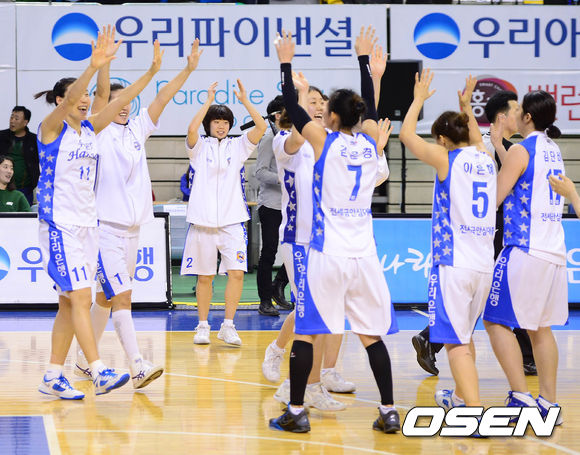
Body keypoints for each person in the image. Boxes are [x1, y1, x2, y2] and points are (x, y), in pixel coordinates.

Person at [269, 27, 399, 434]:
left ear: (333, 117)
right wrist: (365, 64)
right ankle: (389, 410)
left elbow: (291, 104)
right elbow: (371, 106)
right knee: (372, 336)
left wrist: (285, 63)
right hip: (365, 255)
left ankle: (295, 411)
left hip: (328, 252)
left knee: (308, 332)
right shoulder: (370, 141)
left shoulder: (323, 142)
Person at [75, 30, 203, 389]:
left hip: (133, 230)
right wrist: (104, 64)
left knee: (105, 298)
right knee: (123, 297)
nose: (125, 105)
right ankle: (137, 366)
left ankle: (83, 360)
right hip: (105, 229)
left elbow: (163, 96)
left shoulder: (137, 128)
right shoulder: (97, 129)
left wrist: (187, 70)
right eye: (119, 100)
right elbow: (102, 95)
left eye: (129, 100)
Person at [33, 29, 150, 399]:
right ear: (61, 100)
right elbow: (75, 96)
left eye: (87, 96)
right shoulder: (50, 128)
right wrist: (92, 66)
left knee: (69, 304)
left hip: (88, 225)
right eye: (78, 95)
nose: (85, 100)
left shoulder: (89, 129)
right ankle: (98, 370)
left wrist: (149, 72)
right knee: (82, 298)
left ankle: (52, 375)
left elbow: (117, 99)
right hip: (60, 224)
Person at [411, 89, 537, 377]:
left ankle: (431, 339)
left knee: (488, 296)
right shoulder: (487, 148)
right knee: (497, 294)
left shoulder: (494, 145)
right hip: (487, 230)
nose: (520, 116)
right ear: (502, 117)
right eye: (516, 111)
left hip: (485, 232)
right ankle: (523, 357)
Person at [401, 71, 496, 417]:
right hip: (484, 264)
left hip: (454, 264)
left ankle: (474, 412)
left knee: (455, 343)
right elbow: (475, 135)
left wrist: (418, 99)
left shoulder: (447, 159)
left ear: (442, 139)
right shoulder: (485, 157)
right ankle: (459, 396)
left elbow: (406, 135)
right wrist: (466, 105)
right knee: (465, 336)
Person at [483, 90, 566, 424]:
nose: (513, 114)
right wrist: (500, 146)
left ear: (528, 117)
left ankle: (520, 396)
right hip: (553, 251)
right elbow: (523, 172)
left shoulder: (521, 150)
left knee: (494, 320)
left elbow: (495, 197)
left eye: (518, 110)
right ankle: (549, 403)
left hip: (524, 249)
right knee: (541, 329)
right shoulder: (552, 148)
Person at [181, 80, 267, 346]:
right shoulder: (198, 147)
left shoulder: (238, 146)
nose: (221, 126)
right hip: (202, 223)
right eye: (216, 121)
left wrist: (245, 101)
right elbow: (191, 129)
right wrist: (208, 100)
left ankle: (228, 325)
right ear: (209, 124)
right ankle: (202, 326)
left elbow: (261, 127)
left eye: (225, 122)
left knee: (237, 273)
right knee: (204, 277)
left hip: (232, 222)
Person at [256, 95, 292, 317]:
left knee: (297, 248)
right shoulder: (269, 138)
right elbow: (259, 172)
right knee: (269, 252)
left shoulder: (294, 137)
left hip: (292, 204)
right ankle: (264, 300)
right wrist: (283, 178)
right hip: (271, 205)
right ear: (277, 116)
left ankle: (279, 284)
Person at [0, 106, 39, 205]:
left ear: (25, 122)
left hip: (25, 189)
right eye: (11, 117)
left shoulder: (34, 140)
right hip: (3, 188)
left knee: (24, 213)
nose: (12, 121)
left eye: (16, 118)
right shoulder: (1, 136)